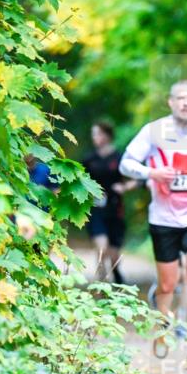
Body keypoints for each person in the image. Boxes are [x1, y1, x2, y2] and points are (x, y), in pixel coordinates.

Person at [120, 80, 187, 371]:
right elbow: (126, 164)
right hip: (164, 217)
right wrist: (151, 172)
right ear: (170, 103)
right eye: (180, 98)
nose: (185, 103)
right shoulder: (153, 131)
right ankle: (163, 321)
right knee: (169, 284)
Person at [81, 121, 136, 283]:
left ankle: (117, 273)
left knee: (113, 255)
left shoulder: (119, 158)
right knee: (101, 249)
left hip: (115, 209)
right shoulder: (89, 160)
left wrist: (124, 187)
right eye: (93, 134)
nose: (95, 137)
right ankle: (101, 287)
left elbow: (135, 180)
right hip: (95, 209)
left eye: (98, 133)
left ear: (107, 135)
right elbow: (78, 181)